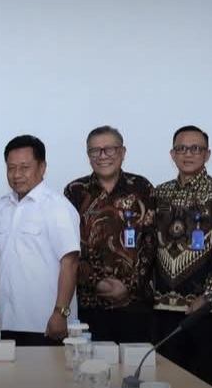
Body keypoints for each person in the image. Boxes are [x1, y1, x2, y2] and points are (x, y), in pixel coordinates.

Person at [152, 125, 212, 388]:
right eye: (181, 148)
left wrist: (208, 295)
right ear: (172, 154)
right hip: (164, 307)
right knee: (166, 383)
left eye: (195, 149)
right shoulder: (159, 193)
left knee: (205, 384)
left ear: (207, 154)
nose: (188, 154)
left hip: (205, 310)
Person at [63, 126, 155, 343]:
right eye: (95, 150)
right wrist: (97, 282)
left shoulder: (142, 188)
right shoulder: (75, 191)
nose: (102, 156)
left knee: (134, 362)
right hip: (89, 304)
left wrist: (129, 286)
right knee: (90, 361)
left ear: (122, 152)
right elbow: (70, 247)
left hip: (135, 304)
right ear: (88, 155)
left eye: (109, 149)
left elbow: (150, 243)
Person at [0, 135, 80, 346]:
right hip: (5, 322)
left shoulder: (57, 206)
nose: (16, 175)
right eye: (11, 168)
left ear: (42, 167)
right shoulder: (2, 206)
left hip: (45, 325)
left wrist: (60, 313)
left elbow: (70, 263)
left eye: (24, 167)